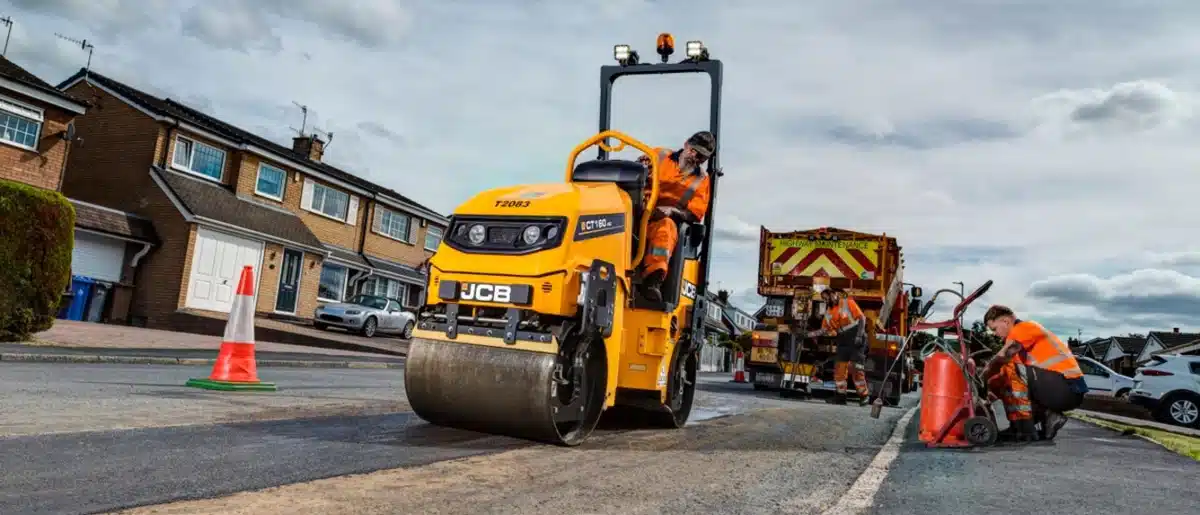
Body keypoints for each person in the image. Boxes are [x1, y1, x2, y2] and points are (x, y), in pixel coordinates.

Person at [982, 305, 1089, 442]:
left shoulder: (1023, 328)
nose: (995, 334)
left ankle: (1026, 428)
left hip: (1067, 387)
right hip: (1064, 389)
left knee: (1010, 371)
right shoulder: (1021, 339)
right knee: (1004, 376)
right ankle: (1043, 419)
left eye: (994, 329)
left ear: (1005, 321)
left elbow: (1003, 356)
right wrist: (988, 393)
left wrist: (983, 375)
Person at [635, 131, 716, 302]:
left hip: (657, 223)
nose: (695, 157)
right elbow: (633, 174)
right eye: (694, 151)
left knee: (667, 228)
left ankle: (652, 280)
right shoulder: (658, 155)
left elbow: (694, 214)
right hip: (635, 212)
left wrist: (672, 212)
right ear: (686, 144)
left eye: (701, 157)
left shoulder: (702, 180)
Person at [807, 286, 871, 405]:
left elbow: (862, 318)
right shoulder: (828, 313)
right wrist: (808, 335)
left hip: (856, 335)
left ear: (833, 294)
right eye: (824, 300)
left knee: (856, 368)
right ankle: (841, 396)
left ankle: (864, 396)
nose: (826, 301)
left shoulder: (848, 302)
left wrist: (859, 335)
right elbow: (823, 330)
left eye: (827, 298)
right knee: (839, 369)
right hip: (842, 339)